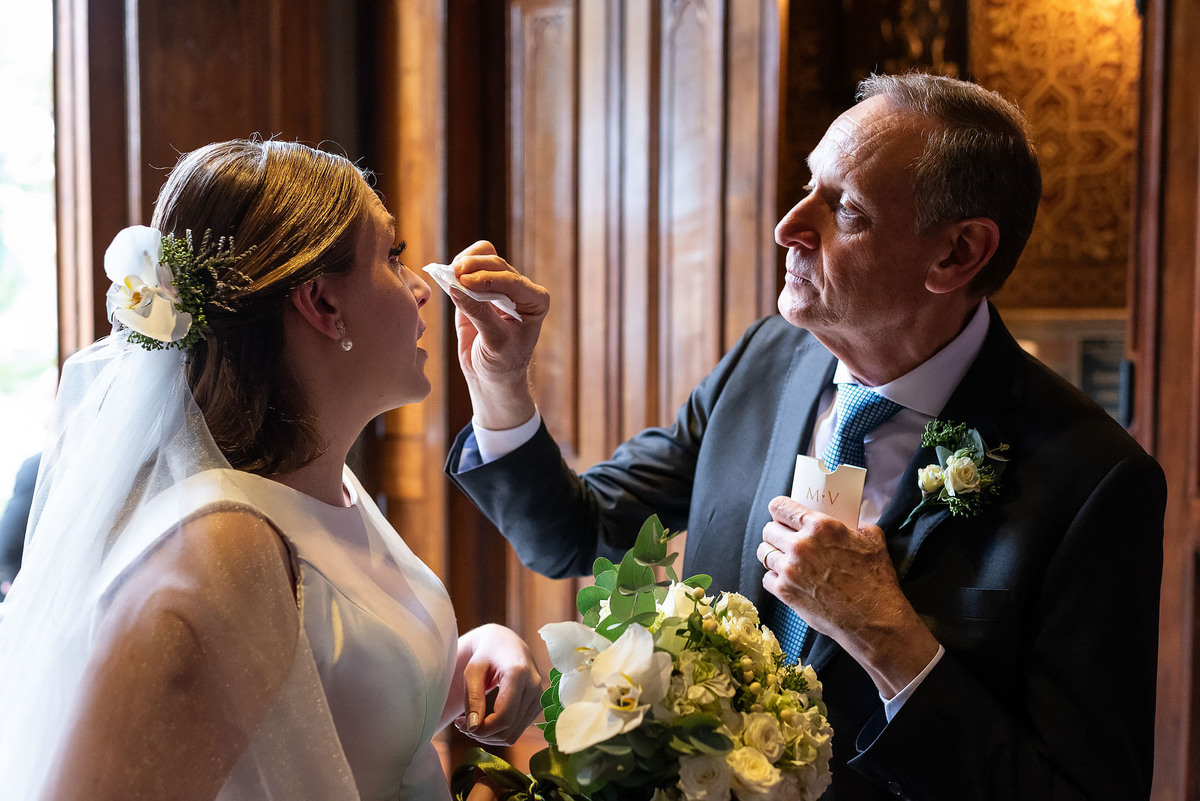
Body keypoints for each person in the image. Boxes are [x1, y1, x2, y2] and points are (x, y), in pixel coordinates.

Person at [442, 73, 1166, 800]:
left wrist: (889, 637)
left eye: (844, 207)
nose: (790, 224)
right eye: (807, 185)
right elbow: (577, 530)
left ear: (957, 254)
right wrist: (502, 379)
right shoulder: (767, 361)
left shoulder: (1092, 481)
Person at [0, 139, 543, 800]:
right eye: (393, 256)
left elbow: (330, 718)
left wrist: (473, 662)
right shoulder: (219, 552)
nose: (422, 288)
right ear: (322, 303)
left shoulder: (324, 488)